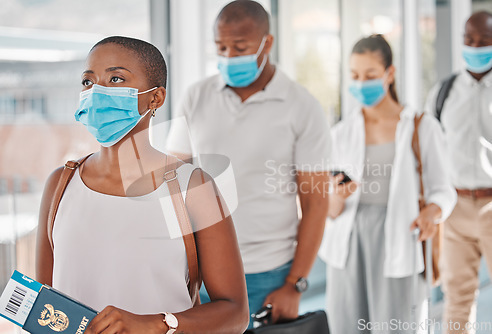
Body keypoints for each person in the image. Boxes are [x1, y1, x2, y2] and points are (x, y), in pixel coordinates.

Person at [36, 36, 249, 334]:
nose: (97, 92)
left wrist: (155, 324)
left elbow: (235, 314)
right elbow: (44, 306)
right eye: (88, 82)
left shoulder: (193, 188)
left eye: (116, 78)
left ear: (156, 98)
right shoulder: (60, 183)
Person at [166, 0, 331, 328]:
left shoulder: (302, 106)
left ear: (266, 43)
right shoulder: (195, 96)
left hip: (268, 274)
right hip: (200, 270)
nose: (228, 56)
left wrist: (294, 284)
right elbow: (174, 182)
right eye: (221, 47)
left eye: (239, 47)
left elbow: (315, 203)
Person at [319, 35, 456, 333]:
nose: (360, 84)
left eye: (370, 75)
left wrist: (433, 211)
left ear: (389, 74)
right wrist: (335, 199)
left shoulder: (422, 127)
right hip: (349, 244)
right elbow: (326, 208)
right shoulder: (340, 133)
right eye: (354, 76)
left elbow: (444, 190)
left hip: (401, 236)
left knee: (399, 326)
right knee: (347, 326)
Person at [424, 11, 492, 334]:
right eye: (469, 39)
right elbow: (428, 152)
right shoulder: (444, 91)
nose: (474, 46)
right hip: (455, 207)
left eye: (484, 41)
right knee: (457, 298)